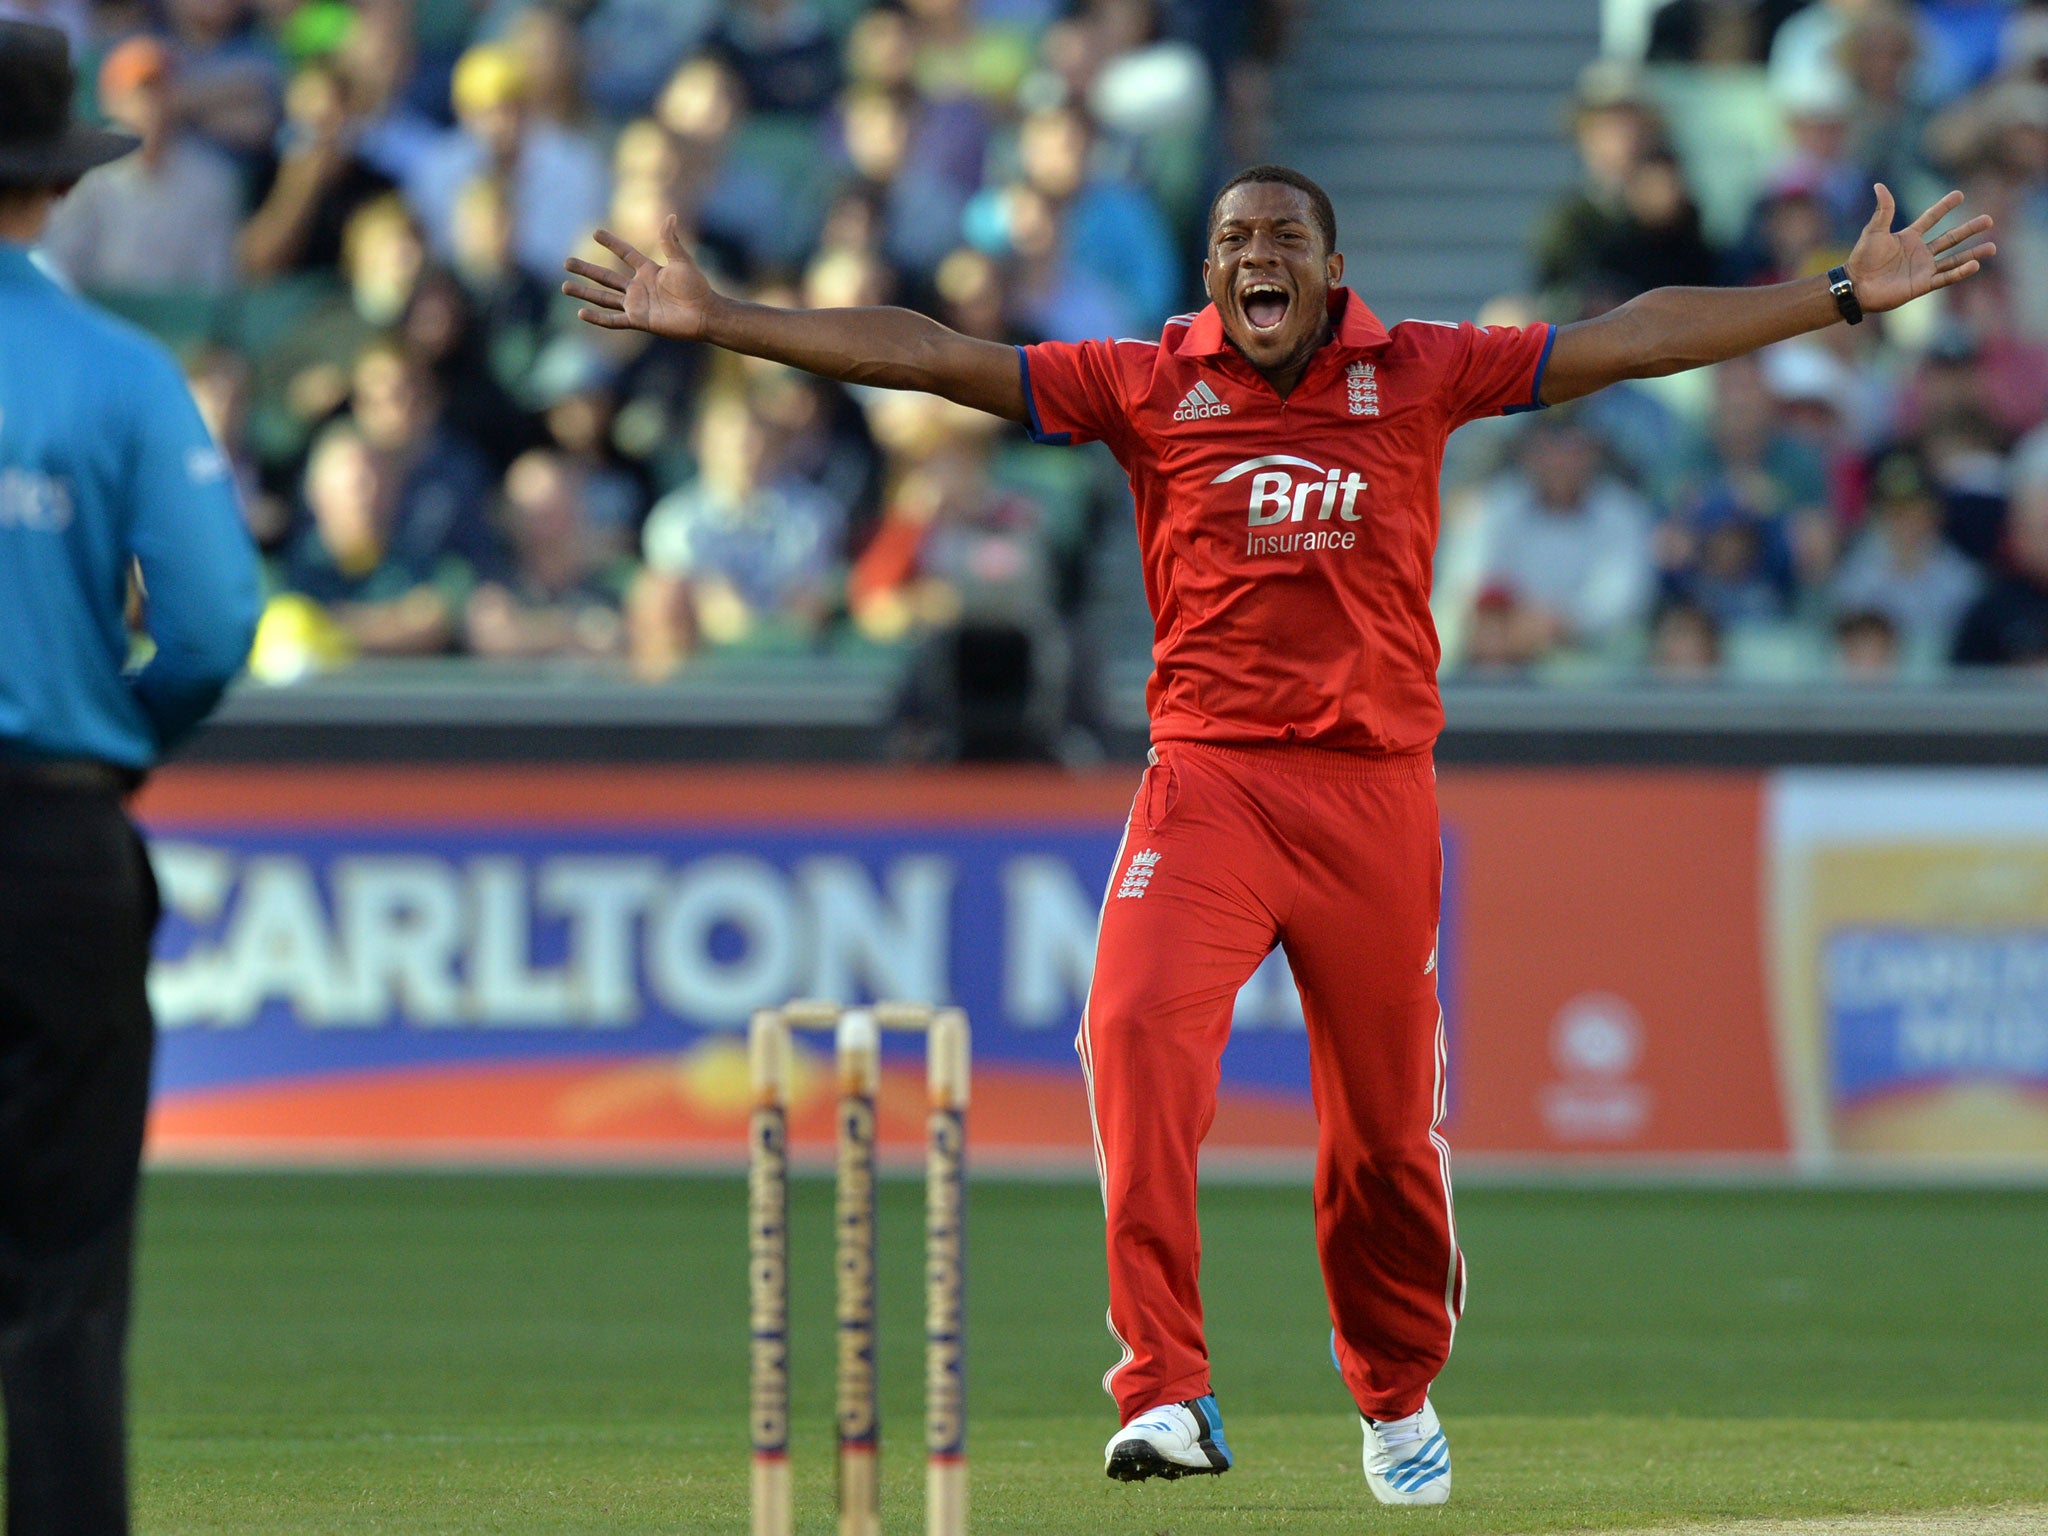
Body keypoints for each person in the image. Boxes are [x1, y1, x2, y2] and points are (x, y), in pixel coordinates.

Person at [563, 158, 1994, 1507]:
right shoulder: (1145, 381)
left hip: (1376, 796)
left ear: (1331, 272)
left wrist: (1839, 295)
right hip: (1211, 784)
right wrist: (724, 321)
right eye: (1236, 240)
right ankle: (1164, 1388)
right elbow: (934, 355)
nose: (1258, 255)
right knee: (1128, 1030)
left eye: (1283, 240)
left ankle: (1394, 1393)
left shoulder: (1419, 369)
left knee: (1381, 1144)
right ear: (1208, 270)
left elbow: (1627, 337)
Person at [0, 21, 260, 1535]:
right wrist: (114, 742)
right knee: (61, 1286)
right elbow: (216, 618)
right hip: (51, 843)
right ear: (54, 183)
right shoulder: (114, 368)